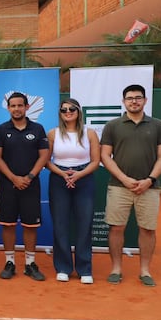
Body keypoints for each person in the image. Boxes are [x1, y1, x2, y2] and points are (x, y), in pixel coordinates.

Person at [100, 84, 161, 287]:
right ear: (123, 102)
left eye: (138, 97)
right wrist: (124, 178)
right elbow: (105, 155)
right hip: (119, 186)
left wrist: (149, 180)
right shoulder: (113, 125)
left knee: (147, 229)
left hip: (149, 187)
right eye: (130, 98)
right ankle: (116, 269)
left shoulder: (158, 125)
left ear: (145, 100)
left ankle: (145, 270)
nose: (134, 101)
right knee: (116, 228)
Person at [0, 92, 50, 281]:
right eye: (13, 106)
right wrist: (13, 178)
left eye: (20, 105)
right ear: (8, 108)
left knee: (30, 225)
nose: (16, 109)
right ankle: (10, 262)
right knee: (8, 224)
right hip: (7, 185)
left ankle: (29, 264)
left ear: (27, 107)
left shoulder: (38, 129)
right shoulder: (1, 130)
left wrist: (30, 176)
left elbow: (44, 155)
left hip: (31, 185)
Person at [46, 99, 100, 284]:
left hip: (84, 179)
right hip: (59, 180)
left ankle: (85, 268)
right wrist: (63, 174)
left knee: (84, 224)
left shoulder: (90, 133)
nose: (67, 112)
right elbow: (46, 160)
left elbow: (95, 161)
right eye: (64, 110)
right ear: (60, 113)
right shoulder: (52, 134)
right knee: (60, 224)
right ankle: (63, 267)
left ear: (79, 111)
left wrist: (77, 175)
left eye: (71, 109)